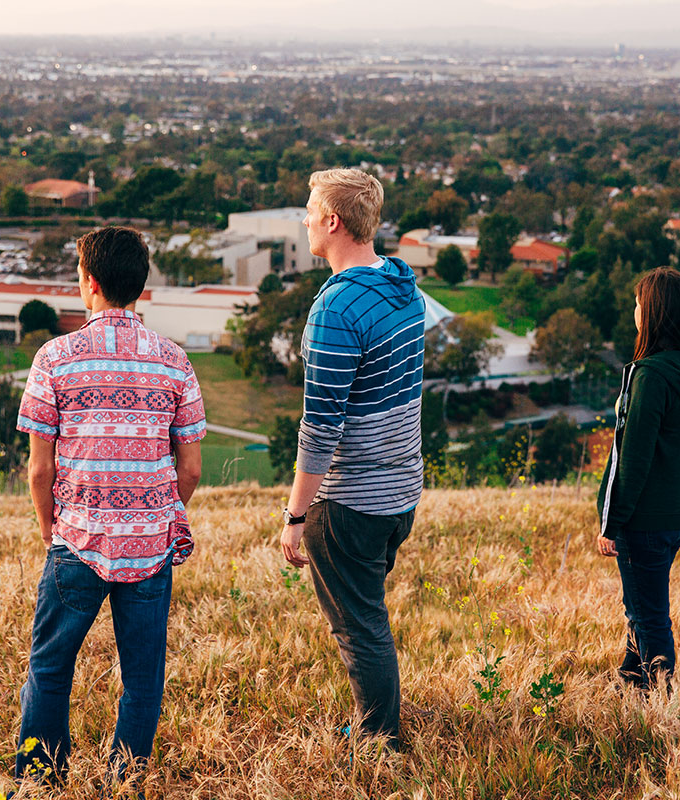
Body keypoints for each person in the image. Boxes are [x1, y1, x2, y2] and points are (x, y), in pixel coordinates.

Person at [14, 227, 206, 785]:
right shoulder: (175, 362)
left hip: (77, 541)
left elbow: (39, 468)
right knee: (143, 680)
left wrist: (51, 526)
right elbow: (190, 468)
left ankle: (41, 782)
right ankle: (126, 784)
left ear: (89, 283)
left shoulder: (55, 358)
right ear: (140, 288)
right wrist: (156, 509)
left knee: (50, 669)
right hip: (150, 547)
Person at [280, 168, 426, 748]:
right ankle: (373, 724)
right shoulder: (401, 285)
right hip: (400, 494)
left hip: (353, 502)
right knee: (367, 616)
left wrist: (295, 515)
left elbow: (319, 428)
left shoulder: (336, 309)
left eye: (312, 211)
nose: (307, 220)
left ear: (333, 222)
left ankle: (379, 741)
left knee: (360, 626)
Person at [597, 267, 680, 691]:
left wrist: (612, 523)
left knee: (648, 614)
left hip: (644, 520)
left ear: (652, 314)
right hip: (678, 514)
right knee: (642, 606)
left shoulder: (649, 375)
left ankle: (662, 704)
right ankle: (631, 684)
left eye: (637, 304)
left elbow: (633, 459)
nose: (634, 310)